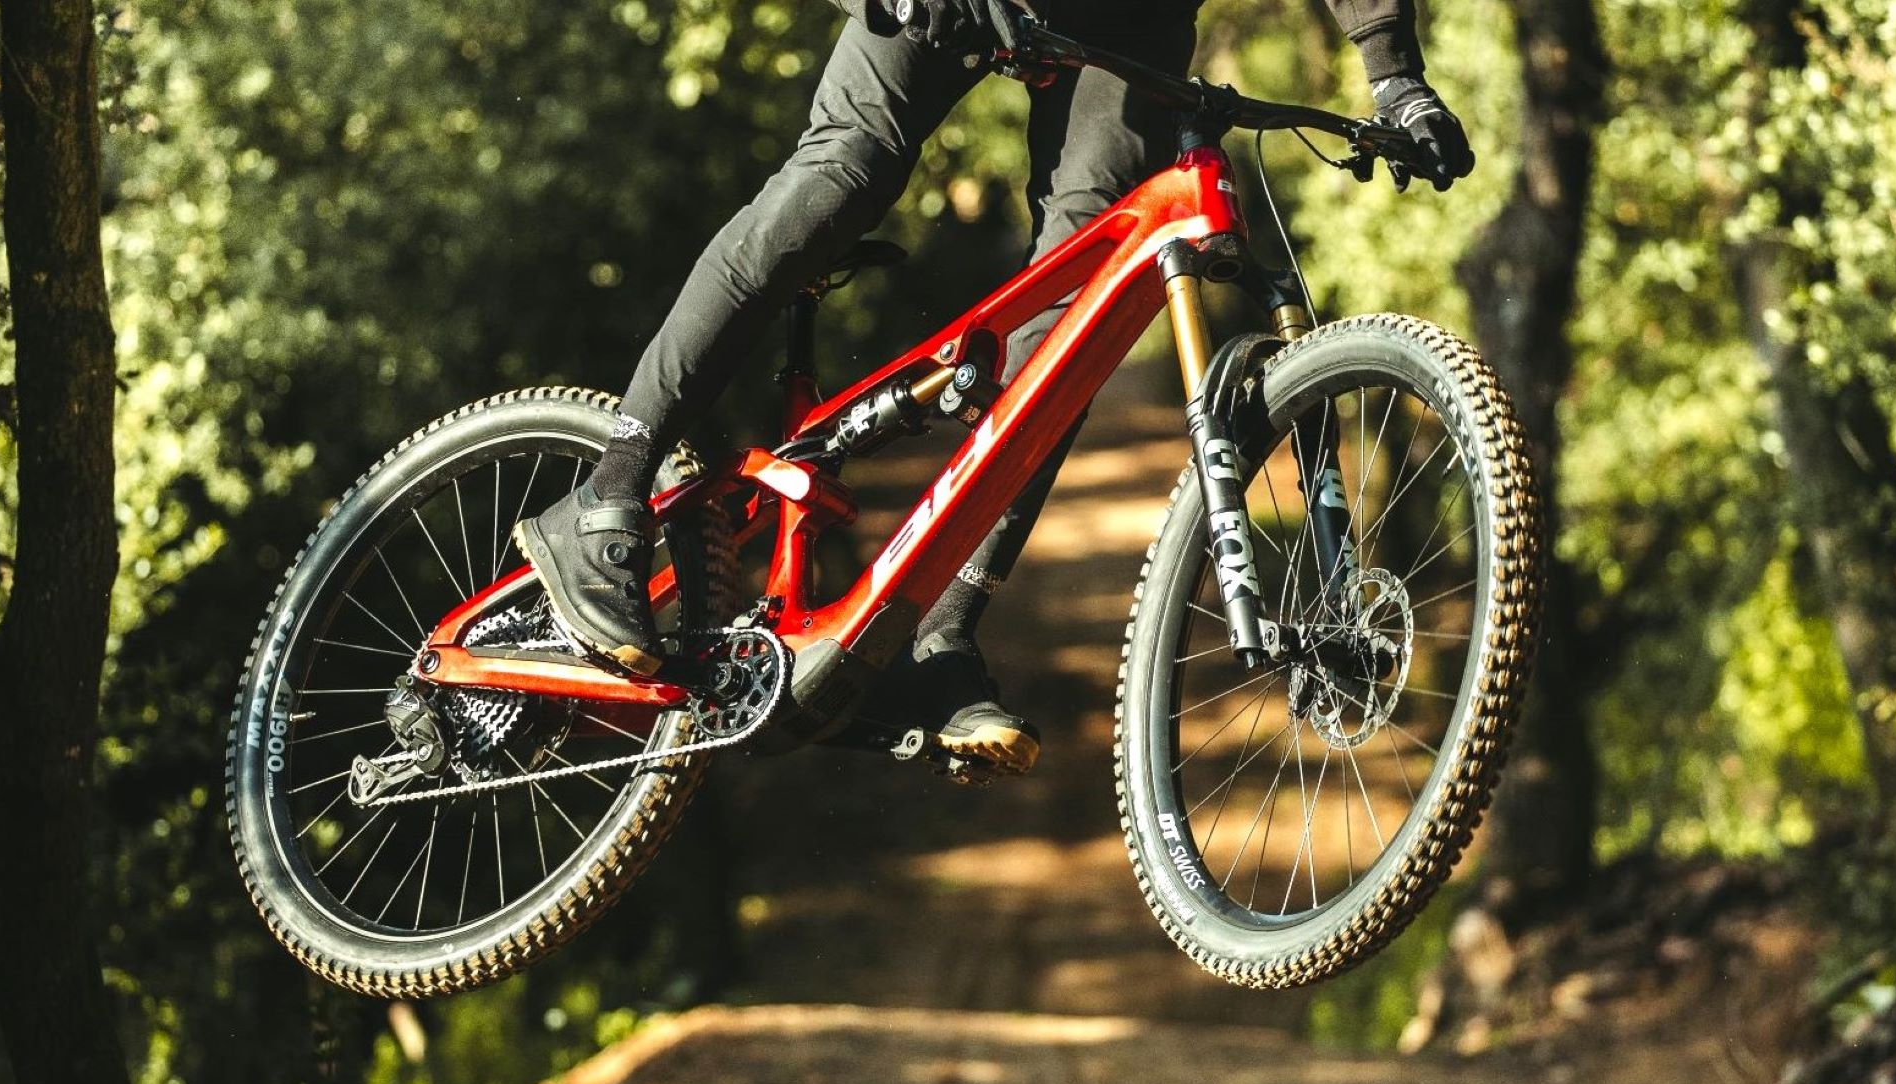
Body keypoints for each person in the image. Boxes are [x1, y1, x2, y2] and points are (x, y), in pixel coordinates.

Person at [514, 0, 1473, 775]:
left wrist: (1396, 80)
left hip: (1119, 21)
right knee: (839, 180)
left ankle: (937, 642)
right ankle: (610, 491)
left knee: (1078, 301)